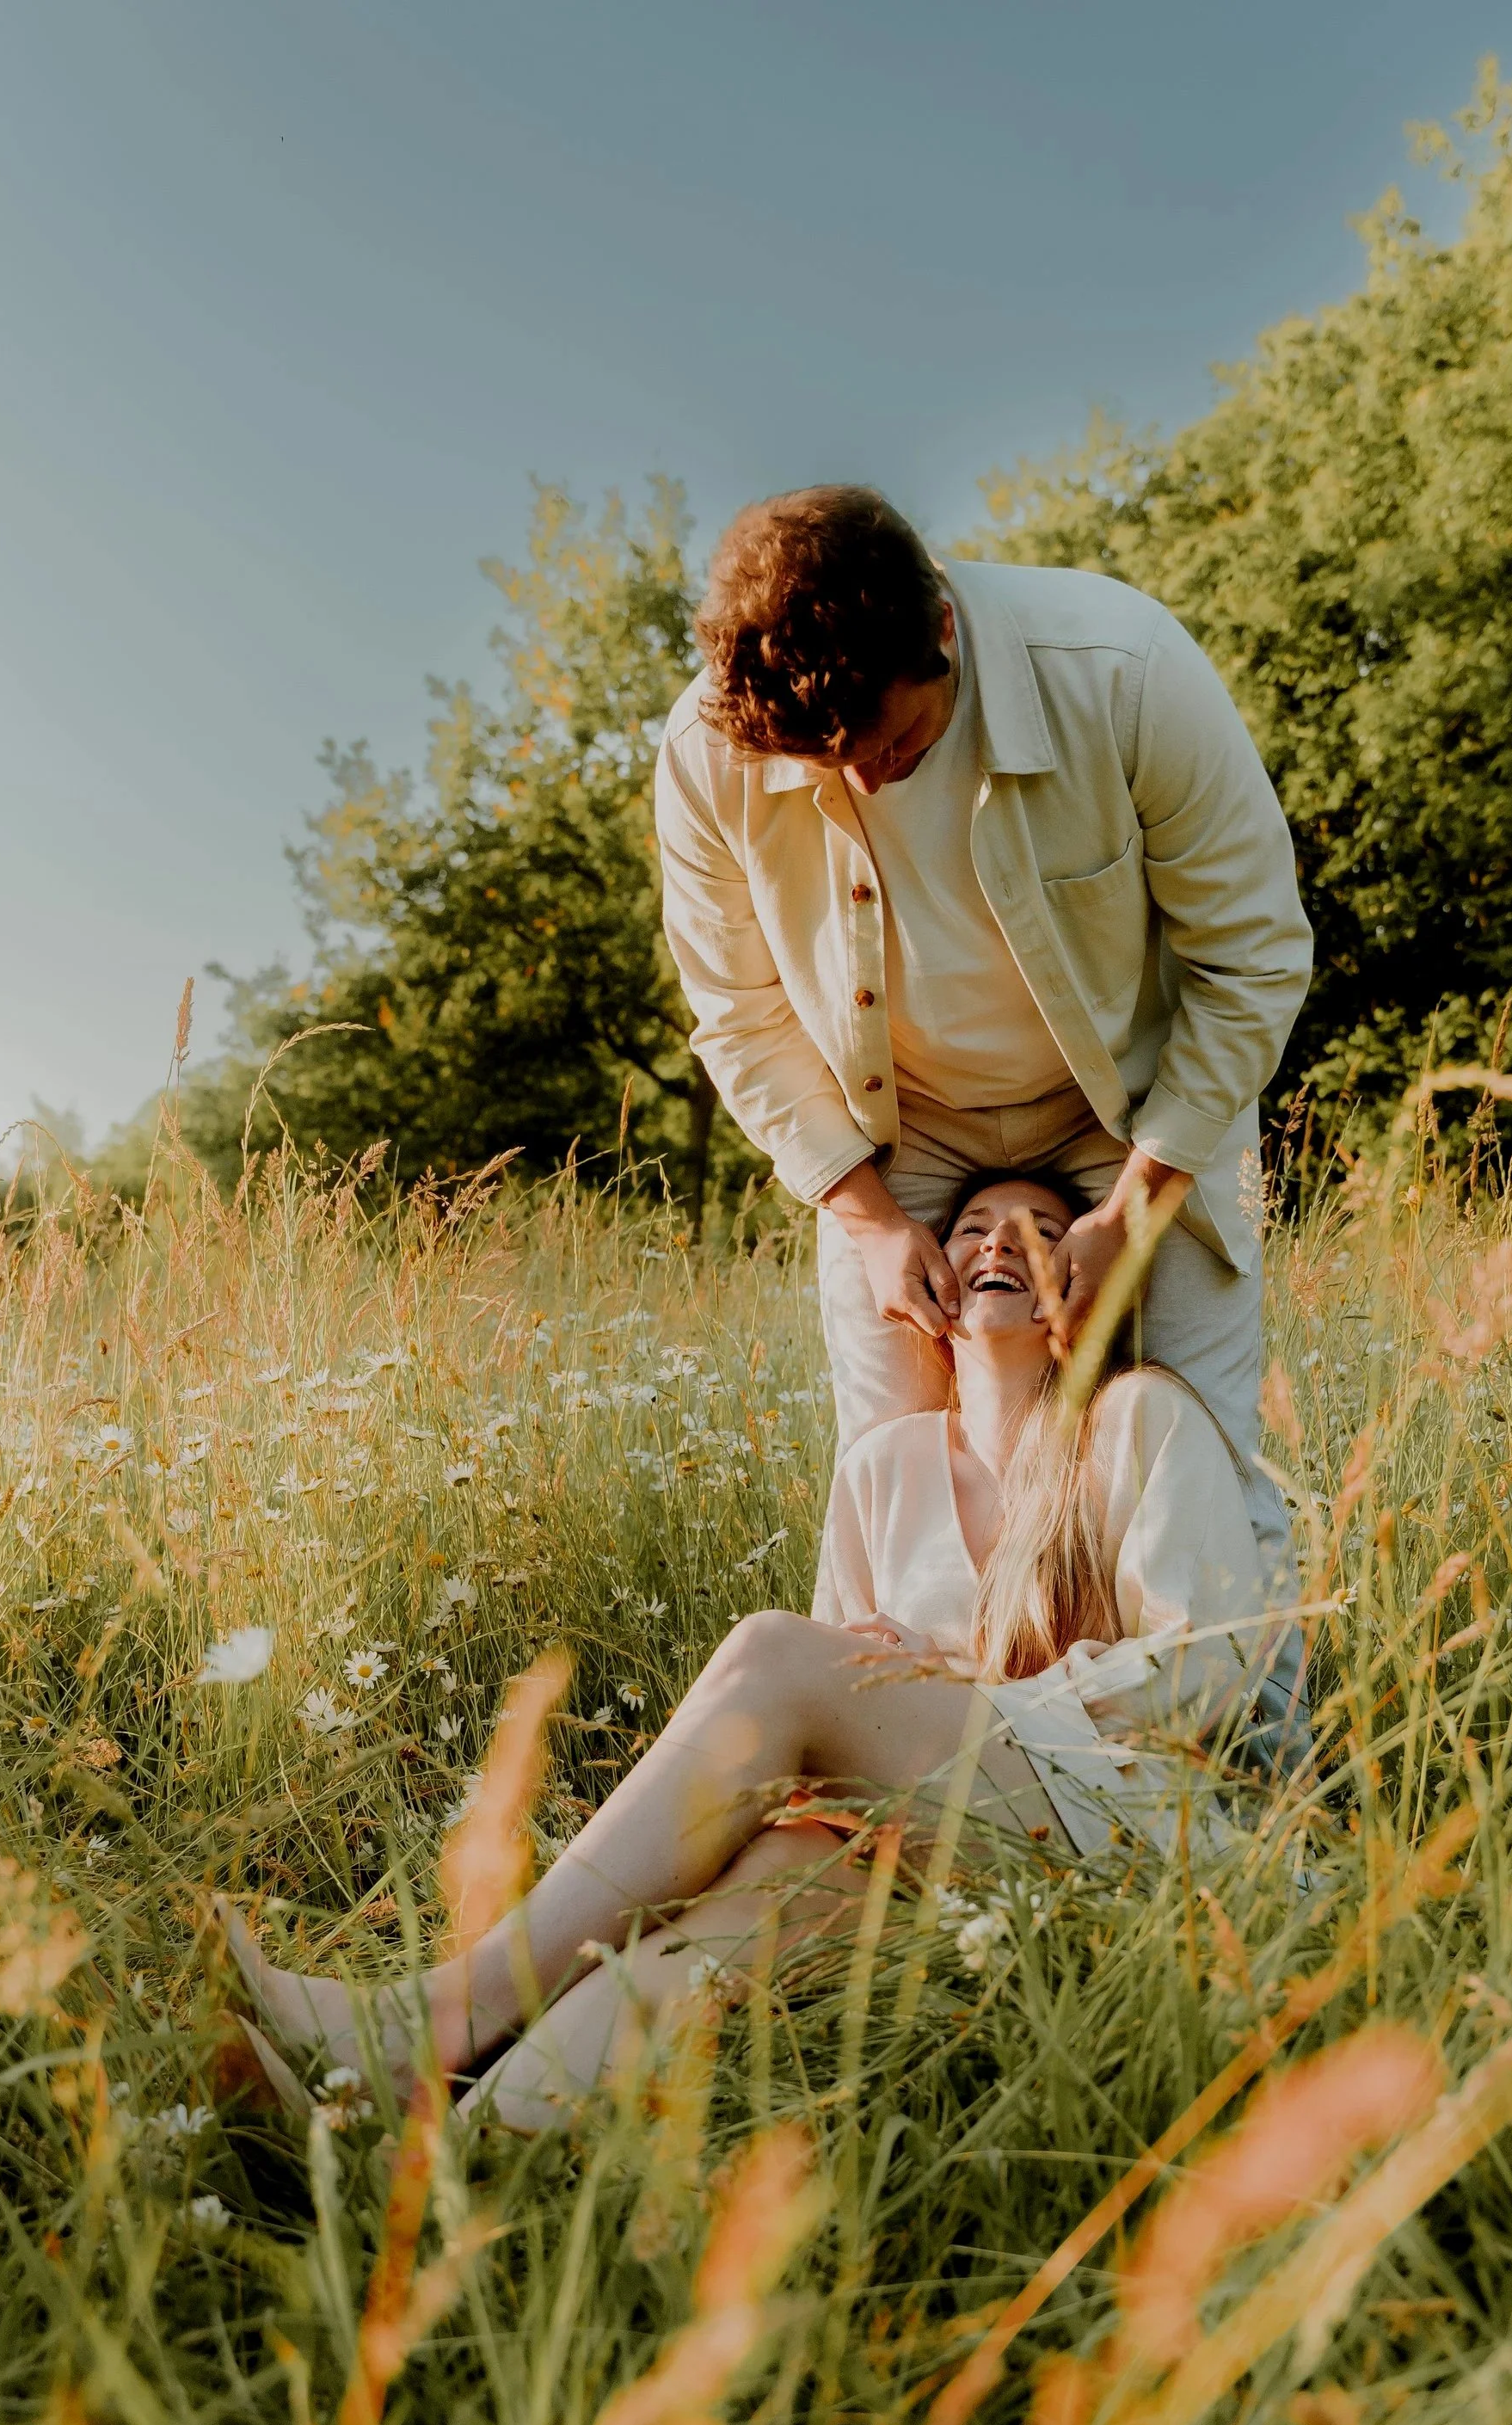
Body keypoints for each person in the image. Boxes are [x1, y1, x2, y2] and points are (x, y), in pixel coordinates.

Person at [215, 1172, 1279, 2132]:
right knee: (737, 1913)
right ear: (931, 1278)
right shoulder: (883, 1467)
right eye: (970, 1227)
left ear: (1084, 1286)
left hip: (1104, 1826)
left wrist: (959, 1691)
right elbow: (830, 1708)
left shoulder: (1137, 1417)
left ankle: (431, 2016)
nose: (1002, 1240)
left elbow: (1209, 1664)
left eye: (1045, 1228)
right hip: (909, 1846)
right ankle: (465, 2139)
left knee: (771, 1649)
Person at [652, 484, 1312, 1724]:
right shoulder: (704, 757)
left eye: (889, 746)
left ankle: (1270, 1810)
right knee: (893, 1459)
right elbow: (741, 1019)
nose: (862, 779)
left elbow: (1255, 960)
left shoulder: (1120, 668)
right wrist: (863, 1217)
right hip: (893, 1121)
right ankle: (906, 1830)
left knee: (1201, 1446)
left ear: (942, 632)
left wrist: (1140, 1200)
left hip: (1138, 1095)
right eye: (826, 766)